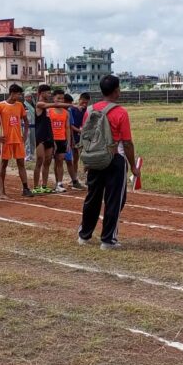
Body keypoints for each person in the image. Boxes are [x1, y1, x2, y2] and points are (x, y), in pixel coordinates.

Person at [78, 75, 138, 250]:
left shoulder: (90, 110)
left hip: (94, 158)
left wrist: (86, 159)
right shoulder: (120, 112)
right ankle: (107, 239)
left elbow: (85, 137)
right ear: (116, 90)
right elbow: (127, 142)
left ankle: (84, 235)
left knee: (92, 197)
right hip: (114, 159)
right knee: (114, 200)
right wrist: (133, 166)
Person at [31, 84, 73, 194]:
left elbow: (50, 124)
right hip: (40, 137)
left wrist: (53, 139)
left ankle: (44, 186)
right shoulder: (40, 104)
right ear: (41, 93)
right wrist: (72, 105)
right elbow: (56, 104)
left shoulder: (49, 110)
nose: (49, 95)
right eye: (48, 93)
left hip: (49, 137)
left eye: (50, 93)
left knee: (47, 162)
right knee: (39, 160)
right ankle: (35, 187)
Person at [0, 84, 33, 198]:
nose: (20, 96)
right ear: (12, 93)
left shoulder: (20, 105)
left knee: (21, 163)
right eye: (18, 94)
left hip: (18, 140)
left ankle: (25, 188)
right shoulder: (0, 106)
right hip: (6, 140)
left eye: (20, 94)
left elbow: (25, 121)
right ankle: (1, 189)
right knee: (4, 164)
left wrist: (24, 135)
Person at [48, 90, 72, 193]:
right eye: (58, 98)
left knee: (60, 161)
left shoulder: (66, 112)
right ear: (53, 98)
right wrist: (51, 139)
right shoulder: (49, 111)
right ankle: (51, 183)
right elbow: (48, 126)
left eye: (62, 98)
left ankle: (59, 183)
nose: (60, 100)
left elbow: (67, 128)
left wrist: (68, 142)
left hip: (62, 139)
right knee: (51, 162)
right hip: (52, 139)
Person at [67, 93, 87, 190]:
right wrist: (79, 131)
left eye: (87, 103)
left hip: (84, 137)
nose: (85, 104)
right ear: (79, 100)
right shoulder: (72, 110)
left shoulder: (86, 111)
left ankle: (86, 177)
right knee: (74, 158)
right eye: (83, 102)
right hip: (74, 136)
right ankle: (73, 178)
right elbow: (70, 125)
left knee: (85, 158)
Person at [23, 92, 37, 162]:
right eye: (27, 97)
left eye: (29, 97)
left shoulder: (34, 105)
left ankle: (32, 155)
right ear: (24, 98)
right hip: (26, 126)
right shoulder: (23, 105)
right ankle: (27, 156)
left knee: (33, 140)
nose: (28, 98)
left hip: (33, 125)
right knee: (27, 141)